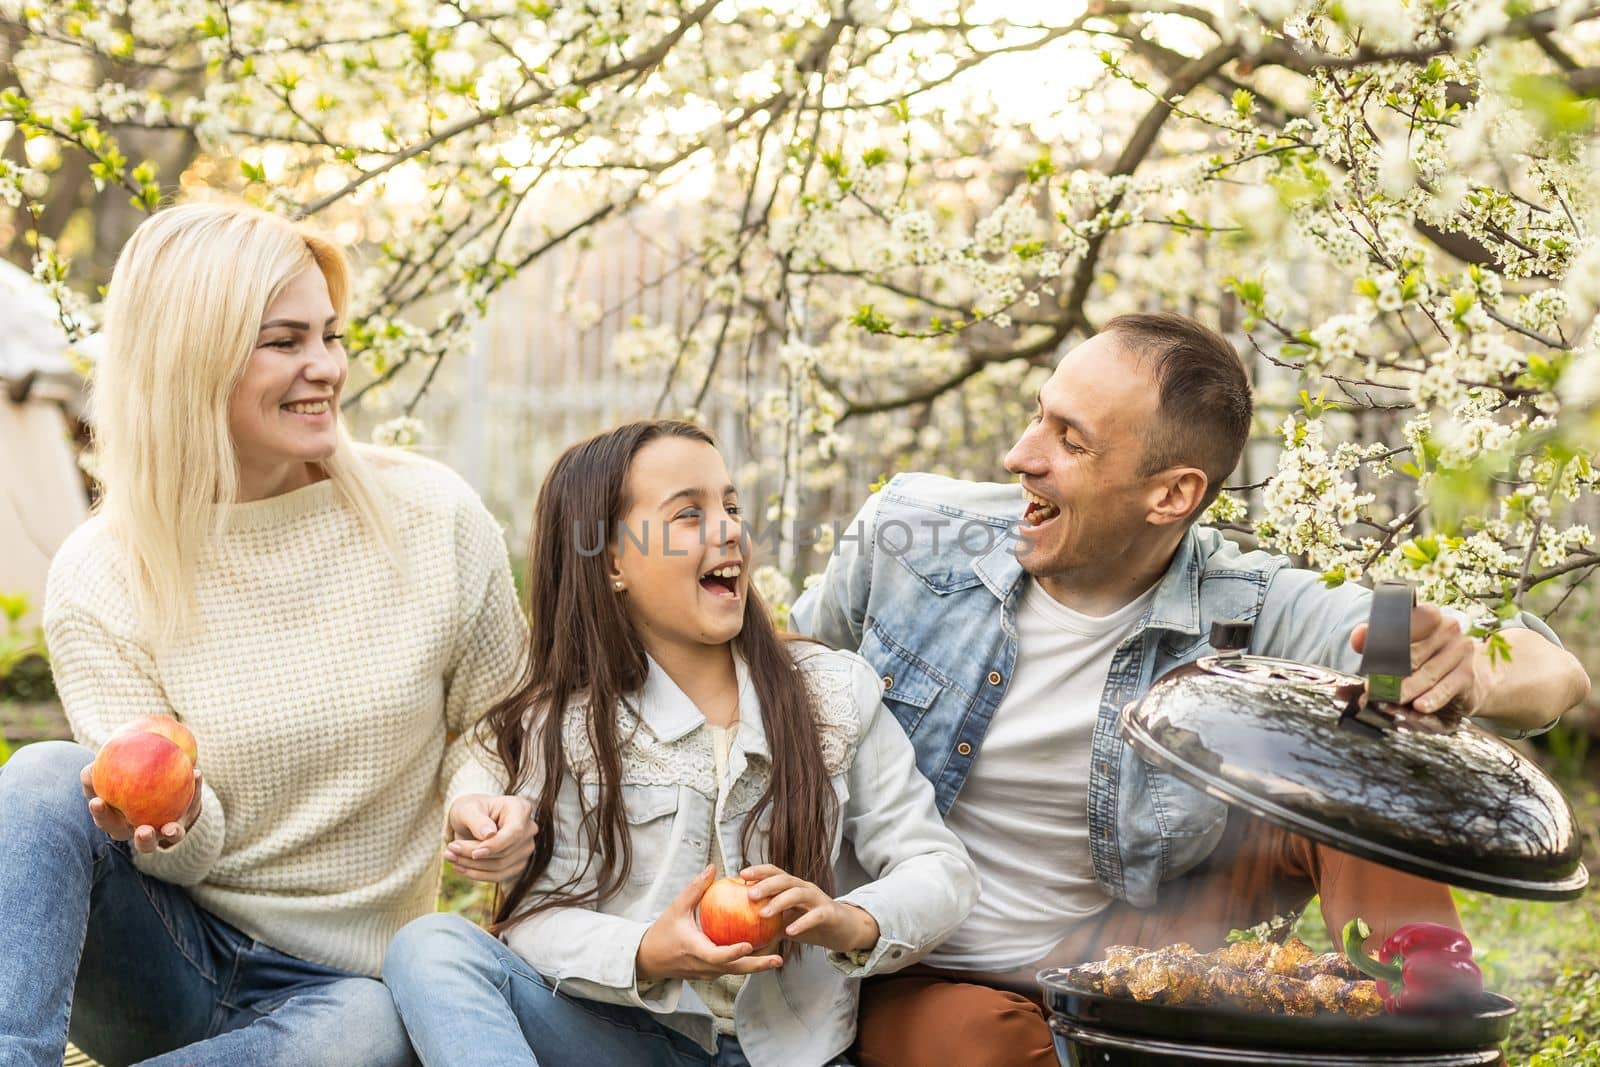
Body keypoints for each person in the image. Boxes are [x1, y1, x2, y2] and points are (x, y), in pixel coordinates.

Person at [789, 312, 1592, 1067]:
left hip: (1131, 941)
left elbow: (1551, 670)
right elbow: (781, 676)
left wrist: (1464, 670)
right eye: (1039, 414)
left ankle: (1429, 1021)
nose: (1020, 455)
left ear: (1170, 495)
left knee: (1365, 731)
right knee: (974, 1045)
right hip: (924, 957)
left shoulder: (1245, 603)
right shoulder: (911, 538)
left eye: (1069, 439)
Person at [0, 203, 535, 1067]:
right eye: (285, 341)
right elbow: (159, 837)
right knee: (42, 776)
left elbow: (501, 719)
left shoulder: (432, 518)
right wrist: (168, 825)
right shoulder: (101, 571)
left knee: (369, 1029)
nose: (326, 366)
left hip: (341, 990)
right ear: (193, 358)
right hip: (164, 959)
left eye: (329, 334)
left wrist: (486, 796)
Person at [381, 419, 978, 1067]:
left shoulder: (829, 693)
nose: (728, 530)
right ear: (613, 563)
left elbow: (938, 867)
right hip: (626, 1040)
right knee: (429, 946)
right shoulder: (570, 722)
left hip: (792, 1052)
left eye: (729, 506)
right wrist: (645, 950)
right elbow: (535, 918)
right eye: (688, 513)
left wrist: (849, 918)